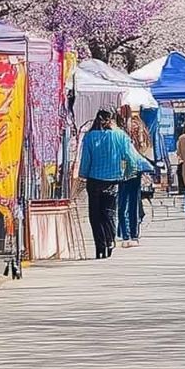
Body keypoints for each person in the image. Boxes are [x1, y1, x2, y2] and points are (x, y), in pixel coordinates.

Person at [77, 110, 156, 258]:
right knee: (109, 213)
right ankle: (110, 240)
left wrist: (83, 175)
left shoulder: (89, 137)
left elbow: (85, 161)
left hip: (94, 181)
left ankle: (100, 247)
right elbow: (132, 158)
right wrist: (135, 171)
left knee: (95, 215)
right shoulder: (121, 136)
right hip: (113, 181)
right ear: (112, 120)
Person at [115, 104, 154, 247]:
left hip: (120, 170)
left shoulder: (117, 132)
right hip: (135, 169)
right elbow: (145, 148)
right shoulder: (139, 128)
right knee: (132, 203)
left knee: (122, 203)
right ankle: (133, 234)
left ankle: (125, 234)